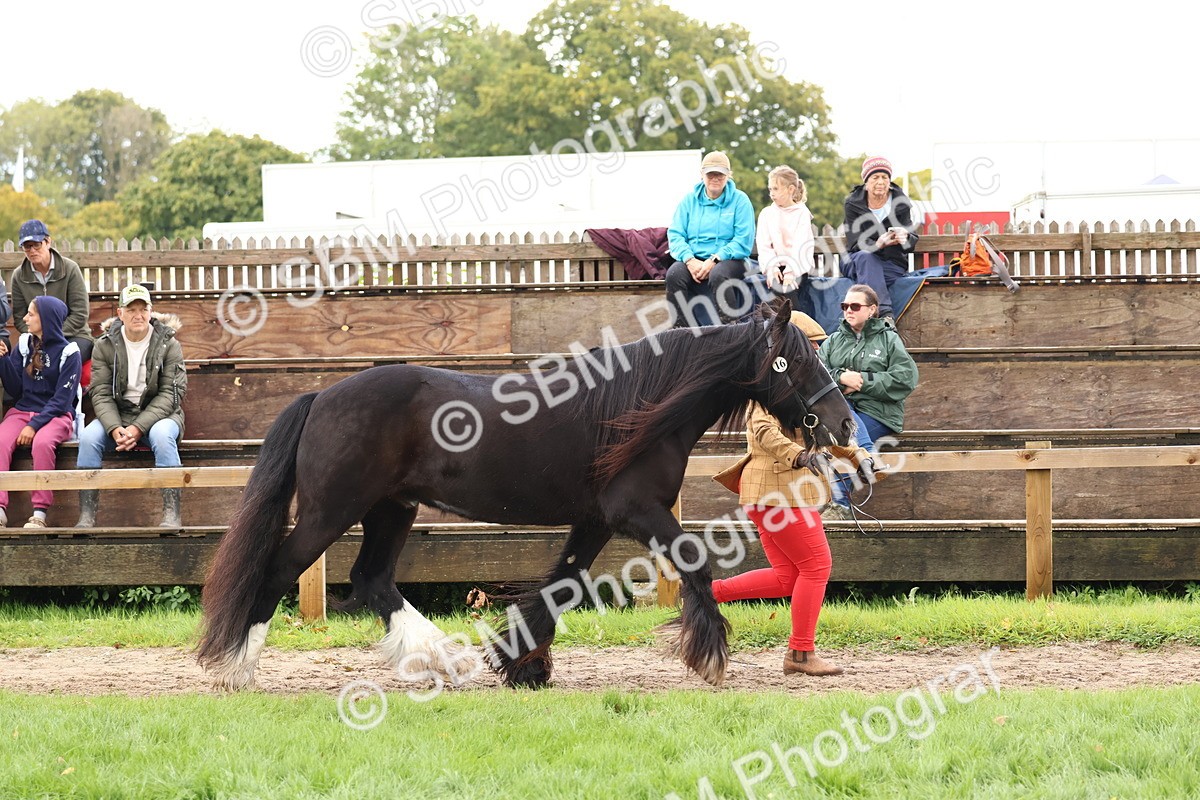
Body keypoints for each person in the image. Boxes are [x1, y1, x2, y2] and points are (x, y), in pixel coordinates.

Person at [711, 311, 880, 677]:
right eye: (812, 347)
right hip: (776, 493)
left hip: (772, 496)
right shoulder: (767, 389)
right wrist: (800, 456)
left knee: (789, 576)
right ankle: (801, 654)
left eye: (817, 347)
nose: (817, 354)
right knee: (817, 567)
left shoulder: (802, 393)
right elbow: (763, 434)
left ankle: (707, 594)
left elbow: (829, 434)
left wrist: (861, 456)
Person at [75, 285, 187, 528]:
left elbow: (172, 394)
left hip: (161, 416)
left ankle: (171, 514)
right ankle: (86, 516)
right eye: (131, 309)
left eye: (143, 309)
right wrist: (115, 428)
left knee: (162, 435)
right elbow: (101, 393)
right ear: (120, 313)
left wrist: (137, 428)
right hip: (119, 416)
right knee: (87, 438)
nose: (138, 315)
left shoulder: (169, 344)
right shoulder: (104, 345)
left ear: (150, 311)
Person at [818, 284, 918, 519]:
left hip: (878, 412)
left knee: (842, 434)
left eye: (855, 306)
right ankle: (866, 457)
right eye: (845, 306)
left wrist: (864, 381)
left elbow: (906, 378)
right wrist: (841, 378)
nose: (848, 311)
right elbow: (816, 375)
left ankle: (840, 505)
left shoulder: (889, 340)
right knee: (841, 425)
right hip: (841, 410)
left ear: (872, 309)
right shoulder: (833, 341)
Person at [0, 296, 83, 528]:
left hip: (56, 415)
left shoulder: (70, 352)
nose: (25, 318)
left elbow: (61, 400)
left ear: (46, 319)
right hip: (23, 410)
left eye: (31, 314)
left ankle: (39, 513)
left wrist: (34, 426)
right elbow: (15, 389)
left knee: (42, 443)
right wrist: (4, 361)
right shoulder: (25, 343)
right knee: (1, 440)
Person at [664, 150, 755, 326]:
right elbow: (675, 235)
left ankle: (731, 329)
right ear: (702, 175)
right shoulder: (688, 201)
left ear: (728, 175)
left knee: (718, 274)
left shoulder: (740, 200)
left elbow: (743, 240)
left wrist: (714, 259)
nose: (715, 178)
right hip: (694, 259)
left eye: (720, 174)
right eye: (710, 173)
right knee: (674, 275)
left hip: (731, 259)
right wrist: (689, 260)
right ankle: (681, 333)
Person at [840, 157, 921, 323]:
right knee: (866, 257)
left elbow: (911, 241)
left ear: (890, 181)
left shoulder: (901, 204)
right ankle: (885, 315)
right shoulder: (852, 204)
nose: (880, 182)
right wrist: (877, 245)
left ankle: (869, 321)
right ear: (866, 182)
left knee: (871, 272)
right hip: (856, 261)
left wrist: (904, 237)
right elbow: (855, 243)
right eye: (875, 177)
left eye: (885, 177)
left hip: (890, 264)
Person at [11, 219, 93, 362]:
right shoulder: (18, 276)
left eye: (37, 244)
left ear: (48, 242)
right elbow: (19, 318)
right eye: (27, 246)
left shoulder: (70, 269)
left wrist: (51, 334)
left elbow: (80, 314)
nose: (32, 250)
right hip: (36, 337)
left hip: (74, 335)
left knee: (65, 358)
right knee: (19, 360)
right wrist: (39, 335)